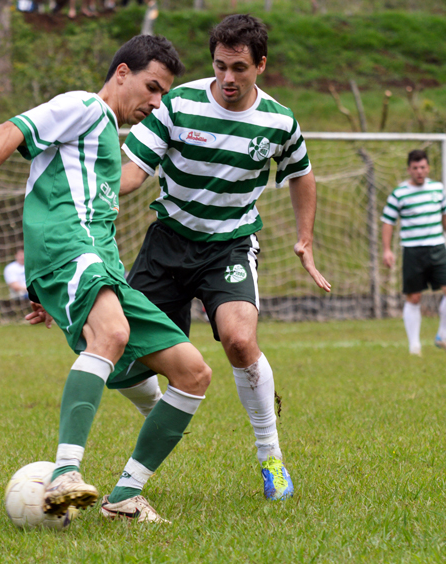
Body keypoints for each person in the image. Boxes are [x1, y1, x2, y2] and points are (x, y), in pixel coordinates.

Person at [0, 35, 212, 524]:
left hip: (100, 266)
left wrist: (45, 290)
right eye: (151, 88)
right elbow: (5, 132)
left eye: (163, 94)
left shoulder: (108, 142)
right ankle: (65, 473)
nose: (156, 103)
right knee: (113, 334)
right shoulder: (82, 106)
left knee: (193, 373)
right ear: (122, 72)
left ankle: (125, 497)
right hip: (69, 251)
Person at [118, 14, 331, 502]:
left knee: (239, 340)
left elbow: (301, 174)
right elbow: (134, 169)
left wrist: (306, 238)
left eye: (239, 68)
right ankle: (159, 408)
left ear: (260, 64)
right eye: (220, 66)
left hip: (230, 246)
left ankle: (271, 459)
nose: (228, 79)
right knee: (121, 358)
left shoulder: (280, 121)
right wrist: (103, 197)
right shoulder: (179, 103)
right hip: (167, 241)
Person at [381, 149, 446, 356]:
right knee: (414, 297)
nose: (419, 171)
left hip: (437, 248)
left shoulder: (437, 189)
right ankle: (414, 346)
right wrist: (387, 249)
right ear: (409, 169)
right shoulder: (399, 193)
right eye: (415, 168)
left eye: (423, 167)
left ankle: (443, 336)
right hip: (412, 250)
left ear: (428, 168)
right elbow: (388, 222)